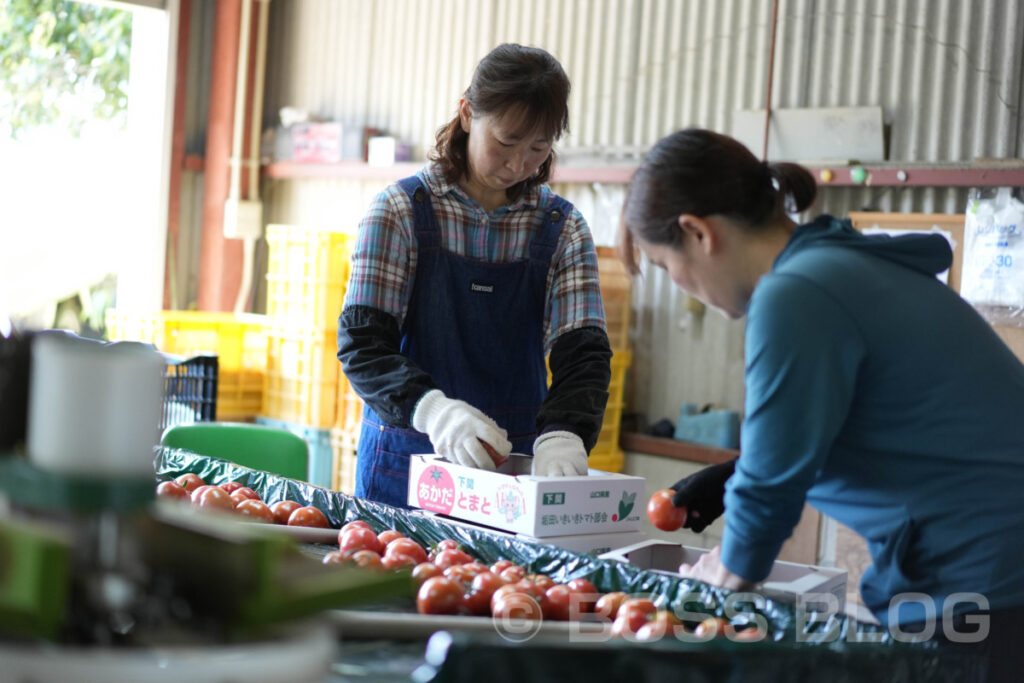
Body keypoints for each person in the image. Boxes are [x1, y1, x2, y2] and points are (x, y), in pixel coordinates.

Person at [620, 128, 1024, 680]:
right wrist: (735, 479)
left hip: (985, 586)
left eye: (667, 267)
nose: (680, 283)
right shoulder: (844, 265)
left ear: (696, 233)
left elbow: (771, 488)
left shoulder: (798, 294)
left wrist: (717, 585)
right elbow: (832, 433)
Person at [338, 44, 612, 508]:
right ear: (467, 114)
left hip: (511, 470)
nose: (519, 164)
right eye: (505, 142)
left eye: (538, 148)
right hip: (406, 464)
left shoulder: (561, 228)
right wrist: (432, 410)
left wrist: (565, 432)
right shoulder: (400, 211)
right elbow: (363, 345)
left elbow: (582, 353)